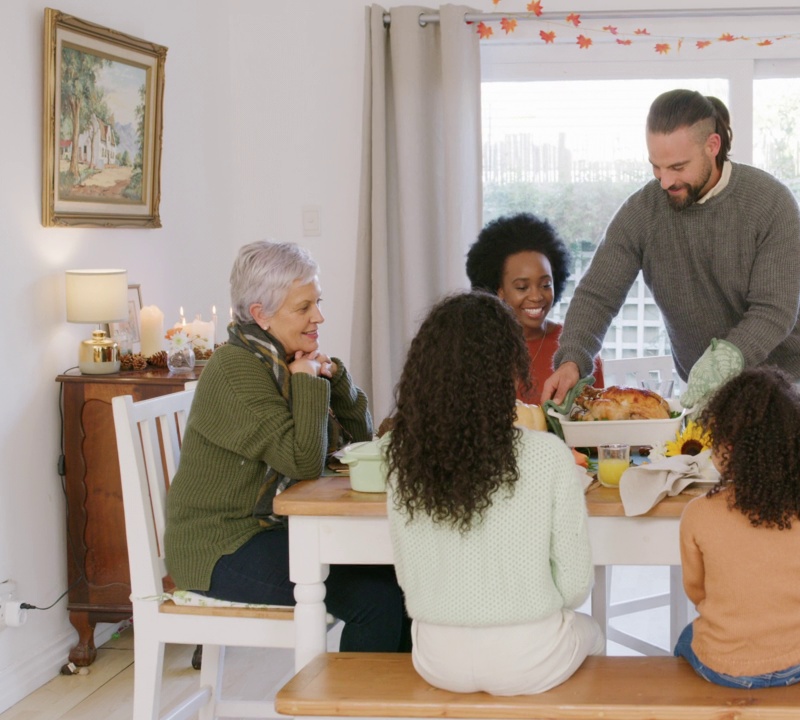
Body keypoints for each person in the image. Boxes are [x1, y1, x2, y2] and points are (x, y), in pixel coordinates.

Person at [166, 240, 410, 652]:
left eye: (317, 302)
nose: (319, 317)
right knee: (377, 600)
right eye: (304, 308)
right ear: (260, 315)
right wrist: (307, 382)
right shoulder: (235, 370)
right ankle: (354, 710)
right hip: (222, 547)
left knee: (401, 578)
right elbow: (303, 461)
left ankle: (398, 706)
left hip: (268, 530)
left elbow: (361, 439)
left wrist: (334, 378)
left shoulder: (278, 361)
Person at [541, 88, 800, 411]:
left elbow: (774, 310)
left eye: (678, 167)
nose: (665, 181)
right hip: (713, 398)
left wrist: (724, 358)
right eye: (656, 166)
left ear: (712, 146)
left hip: (796, 382)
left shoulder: (770, 202)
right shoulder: (642, 212)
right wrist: (572, 358)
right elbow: (598, 295)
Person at [384, 291, 603, 695]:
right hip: (530, 660)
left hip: (436, 659)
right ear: (506, 368)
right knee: (594, 633)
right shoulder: (547, 456)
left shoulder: (406, 464)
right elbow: (574, 588)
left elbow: (407, 580)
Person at [675, 366, 800, 688]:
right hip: (799, 661)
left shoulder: (698, 514)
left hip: (725, 668)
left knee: (685, 637)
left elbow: (697, 591)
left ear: (729, 448)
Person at [465, 213, 605, 405]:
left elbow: (596, 423)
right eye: (522, 287)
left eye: (546, 285)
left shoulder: (578, 349)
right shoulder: (473, 347)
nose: (537, 296)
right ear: (500, 291)